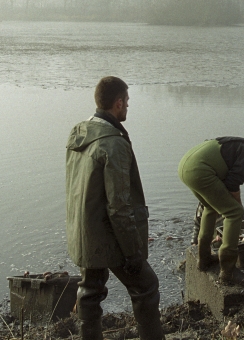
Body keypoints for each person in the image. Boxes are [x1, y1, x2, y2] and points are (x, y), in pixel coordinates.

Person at [65, 77, 163, 340]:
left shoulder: (79, 134)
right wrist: (132, 252)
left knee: (89, 291)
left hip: (84, 231)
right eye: (127, 102)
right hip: (108, 236)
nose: (128, 107)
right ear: (118, 103)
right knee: (146, 285)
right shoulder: (114, 143)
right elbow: (119, 206)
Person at [178, 136, 244, 286]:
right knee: (234, 213)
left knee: (211, 207)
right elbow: (232, 184)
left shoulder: (241, 145)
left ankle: (203, 258)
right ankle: (228, 271)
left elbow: (227, 181)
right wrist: (239, 207)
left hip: (186, 167)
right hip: (200, 170)